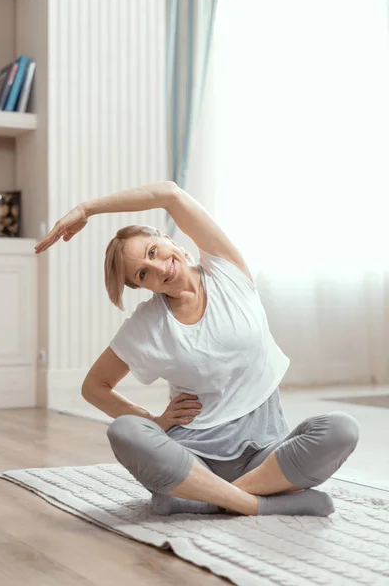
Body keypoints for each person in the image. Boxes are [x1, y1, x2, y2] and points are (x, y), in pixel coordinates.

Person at [35, 180, 360, 517]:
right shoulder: (148, 324)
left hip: (264, 455)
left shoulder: (226, 270)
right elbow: (94, 387)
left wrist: (87, 208)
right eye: (144, 273)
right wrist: (153, 420)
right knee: (124, 431)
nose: (160, 267)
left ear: (167, 238)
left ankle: (205, 500)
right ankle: (255, 503)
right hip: (192, 459)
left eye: (152, 251)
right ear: (141, 285)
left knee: (341, 429)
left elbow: (169, 193)